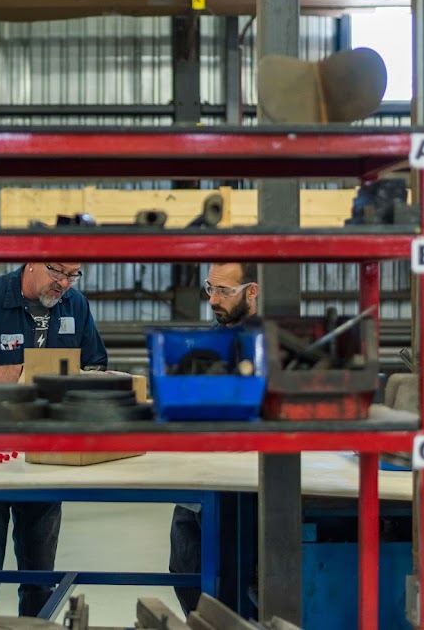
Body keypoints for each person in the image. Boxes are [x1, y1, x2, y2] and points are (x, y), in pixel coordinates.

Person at [0, 261, 108, 617]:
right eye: (58, 272)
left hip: (48, 456)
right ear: (32, 261)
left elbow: (95, 364)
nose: (65, 283)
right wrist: (26, 373)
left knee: (39, 576)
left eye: (73, 275)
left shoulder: (75, 305)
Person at [169, 261, 259, 616]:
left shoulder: (271, 345)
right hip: (195, 485)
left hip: (244, 490)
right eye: (210, 288)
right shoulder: (206, 343)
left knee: (237, 587)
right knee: (185, 574)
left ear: (252, 292)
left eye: (224, 291)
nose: (213, 300)